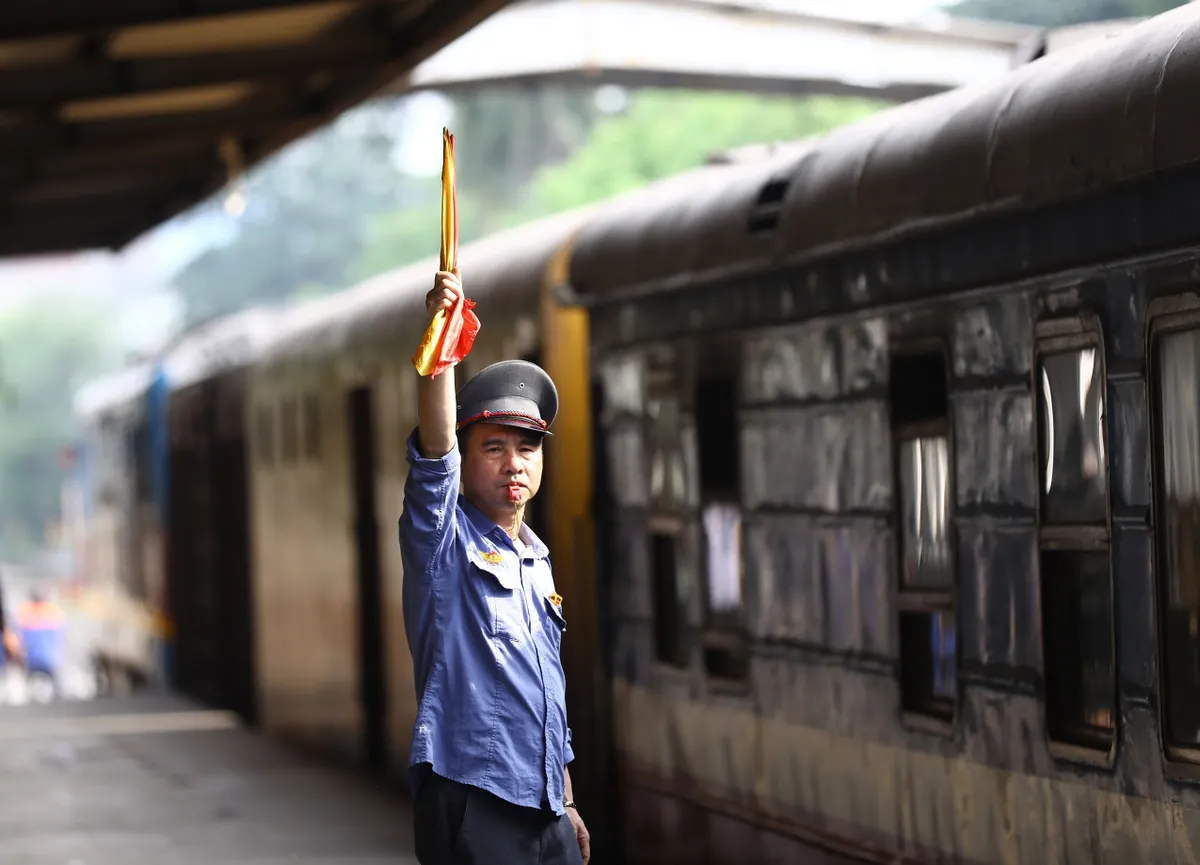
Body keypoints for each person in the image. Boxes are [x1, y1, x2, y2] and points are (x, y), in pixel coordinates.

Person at [399, 270, 589, 865]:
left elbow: (545, 691)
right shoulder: (442, 541)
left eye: (527, 449)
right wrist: (443, 338)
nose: (514, 463)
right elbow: (436, 454)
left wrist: (567, 798)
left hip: (545, 809)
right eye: (493, 447)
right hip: (471, 799)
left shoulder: (536, 558)